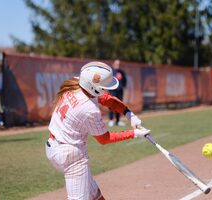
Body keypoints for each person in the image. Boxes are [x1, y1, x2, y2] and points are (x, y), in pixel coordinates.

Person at [46, 61, 150, 200]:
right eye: (103, 86)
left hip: (54, 146)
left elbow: (107, 99)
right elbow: (104, 139)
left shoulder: (78, 84)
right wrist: (133, 133)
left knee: (94, 194)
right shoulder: (89, 109)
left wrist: (128, 114)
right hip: (71, 155)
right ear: (94, 87)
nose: (106, 89)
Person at [108, 59, 127, 127]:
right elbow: (108, 82)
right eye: (117, 64)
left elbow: (124, 81)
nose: (118, 65)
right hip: (113, 91)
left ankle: (118, 121)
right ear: (114, 64)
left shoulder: (122, 72)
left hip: (120, 92)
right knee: (111, 105)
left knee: (119, 106)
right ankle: (111, 120)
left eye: (119, 64)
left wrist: (122, 87)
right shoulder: (111, 72)